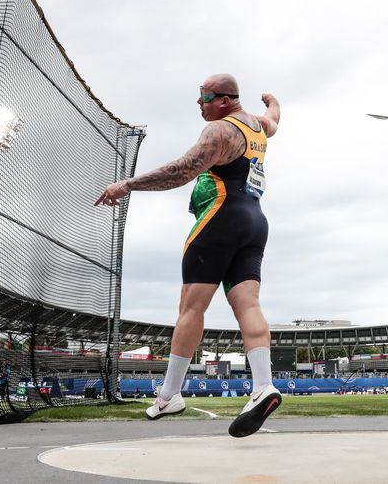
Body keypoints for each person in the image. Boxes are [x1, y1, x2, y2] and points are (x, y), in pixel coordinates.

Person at [95, 74, 281, 438]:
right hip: (255, 222)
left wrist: (126, 185)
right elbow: (275, 119)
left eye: (205, 98)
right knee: (248, 304)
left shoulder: (221, 132)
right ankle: (264, 385)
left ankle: (169, 395)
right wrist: (271, 100)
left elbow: (181, 171)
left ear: (225, 100)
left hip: (221, 218)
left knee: (191, 307)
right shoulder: (258, 126)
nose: (200, 104)